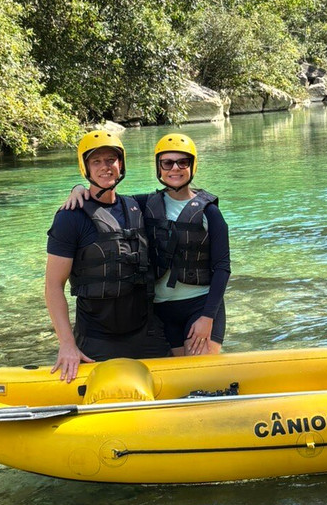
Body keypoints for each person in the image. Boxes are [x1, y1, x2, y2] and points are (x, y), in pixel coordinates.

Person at [63, 132, 231, 356]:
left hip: (200, 307)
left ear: (192, 166)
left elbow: (222, 268)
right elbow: (108, 199)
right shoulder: (143, 204)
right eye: (167, 163)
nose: (175, 169)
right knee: (174, 382)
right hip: (161, 311)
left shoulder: (210, 213)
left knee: (199, 377)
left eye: (182, 162)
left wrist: (208, 317)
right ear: (159, 167)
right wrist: (78, 189)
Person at [45, 130, 169, 382]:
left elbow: (178, 192)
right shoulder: (70, 218)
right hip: (97, 336)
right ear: (86, 167)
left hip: (146, 332)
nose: (105, 167)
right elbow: (52, 285)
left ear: (120, 164)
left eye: (111, 160)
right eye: (96, 161)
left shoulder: (137, 206)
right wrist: (67, 344)